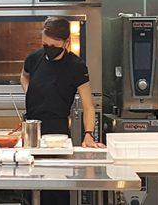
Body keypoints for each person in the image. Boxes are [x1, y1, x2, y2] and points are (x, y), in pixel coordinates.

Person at [20, 17, 104, 205]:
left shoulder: (76, 66)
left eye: (53, 45)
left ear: (66, 43)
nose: (48, 49)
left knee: (55, 190)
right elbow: (24, 77)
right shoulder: (34, 58)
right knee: (28, 185)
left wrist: (88, 134)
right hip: (31, 129)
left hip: (57, 132)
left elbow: (88, 105)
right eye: (45, 44)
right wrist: (31, 92)